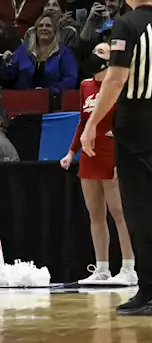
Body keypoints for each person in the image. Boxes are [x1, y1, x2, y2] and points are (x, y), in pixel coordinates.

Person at [81, 0, 152, 315]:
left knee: (139, 208)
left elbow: (115, 79)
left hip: (138, 122)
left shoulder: (126, 22)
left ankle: (148, 291)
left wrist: (92, 123)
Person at [63, 57, 136, 286]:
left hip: (112, 153)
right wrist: (71, 152)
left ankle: (129, 267)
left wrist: (123, 158)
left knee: (119, 213)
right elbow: (83, 123)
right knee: (95, 214)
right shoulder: (85, 86)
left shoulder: (119, 85)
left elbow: (129, 124)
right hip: (89, 155)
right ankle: (102, 268)